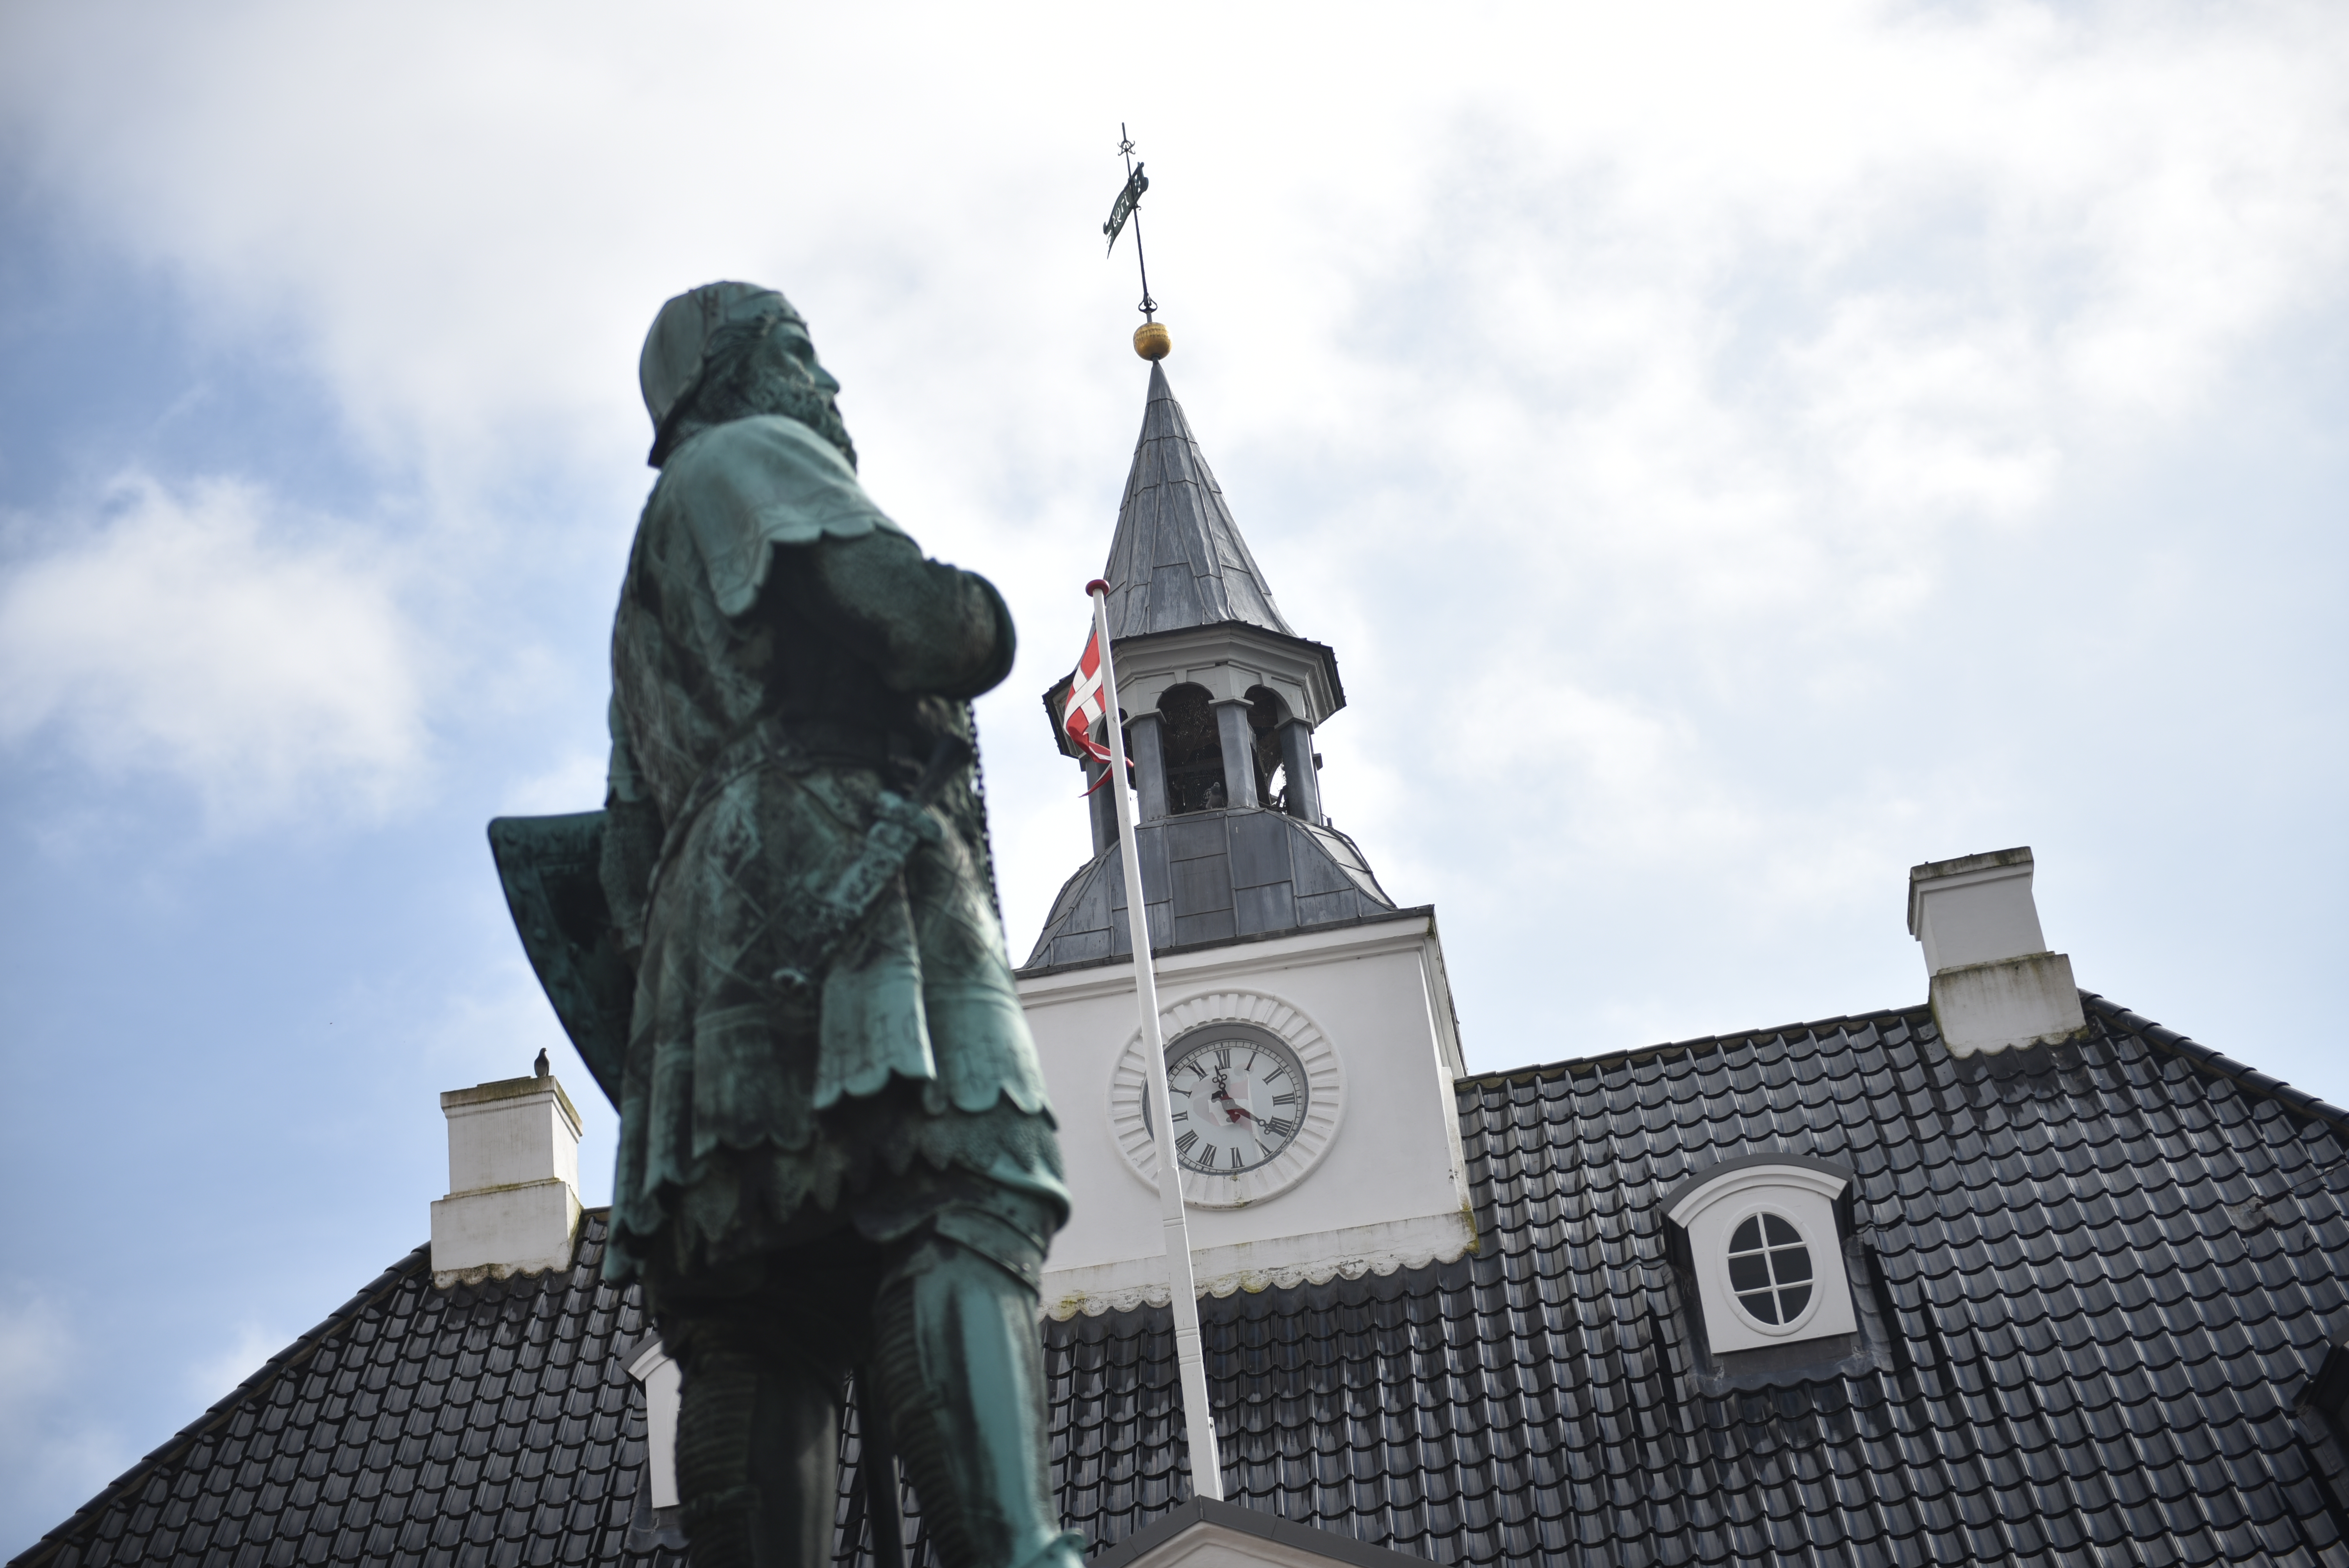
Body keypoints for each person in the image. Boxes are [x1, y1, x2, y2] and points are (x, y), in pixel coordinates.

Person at [596, 281, 1080, 1568]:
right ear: (733, 380)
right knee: (960, 1192)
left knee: (759, 1308)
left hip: (705, 952)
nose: (831, 392)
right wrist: (981, 611)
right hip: (848, 874)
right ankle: (1014, 1552)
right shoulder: (753, 456)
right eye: (803, 356)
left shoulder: (643, 588)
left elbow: (615, 858)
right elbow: (925, 624)